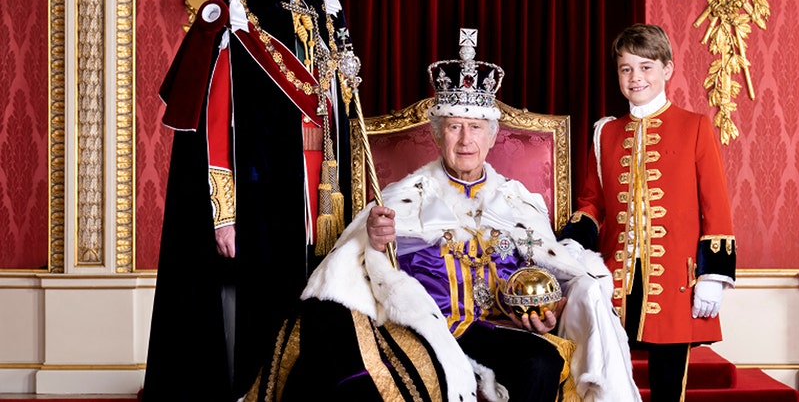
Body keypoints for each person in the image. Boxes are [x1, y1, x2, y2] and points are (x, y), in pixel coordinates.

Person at [243, 30, 642, 402]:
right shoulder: (403, 199)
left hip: (497, 328)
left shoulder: (519, 203)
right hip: (426, 329)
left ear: (492, 136)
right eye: (454, 127)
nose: (465, 140)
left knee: (541, 360)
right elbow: (363, 271)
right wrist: (377, 241)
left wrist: (545, 311)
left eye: (475, 127)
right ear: (436, 135)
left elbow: (551, 272)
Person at [144, 0, 356, 401]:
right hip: (261, 197)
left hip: (325, 196)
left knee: (322, 316)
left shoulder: (327, 9)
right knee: (264, 322)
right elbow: (214, 119)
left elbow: (342, 113)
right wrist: (223, 215)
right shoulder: (236, 8)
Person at [559, 23, 737, 402]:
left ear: (667, 69)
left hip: (676, 278)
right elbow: (593, 201)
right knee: (608, 377)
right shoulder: (606, 133)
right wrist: (574, 243)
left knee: (669, 384)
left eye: (646, 67)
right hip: (617, 276)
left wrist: (713, 274)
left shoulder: (695, 126)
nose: (635, 77)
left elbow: (715, 205)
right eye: (626, 69)